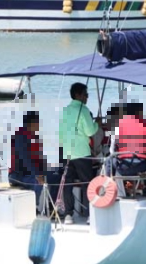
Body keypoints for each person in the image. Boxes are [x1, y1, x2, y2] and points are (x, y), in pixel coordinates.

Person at [57, 82, 99, 223]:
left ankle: (68, 215)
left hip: (66, 153)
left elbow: (60, 133)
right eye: (85, 94)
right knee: (87, 183)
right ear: (78, 95)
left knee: (67, 184)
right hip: (81, 152)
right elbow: (90, 131)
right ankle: (89, 215)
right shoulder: (83, 110)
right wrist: (97, 124)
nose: (87, 97)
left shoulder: (65, 110)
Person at [9, 111, 49, 203]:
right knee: (38, 183)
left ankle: (50, 205)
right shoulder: (20, 136)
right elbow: (25, 158)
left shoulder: (35, 136)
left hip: (30, 173)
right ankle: (34, 206)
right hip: (18, 175)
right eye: (38, 122)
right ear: (32, 123)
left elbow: (39, 158)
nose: (40, 125)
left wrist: (45, 171)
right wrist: (38, 174)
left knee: (53, 176)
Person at [115, 103, 146, 179]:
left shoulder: (119, 125)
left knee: (110, 160)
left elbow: (112, 148)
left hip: (123, 167)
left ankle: (109, 182)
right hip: (142, 166)